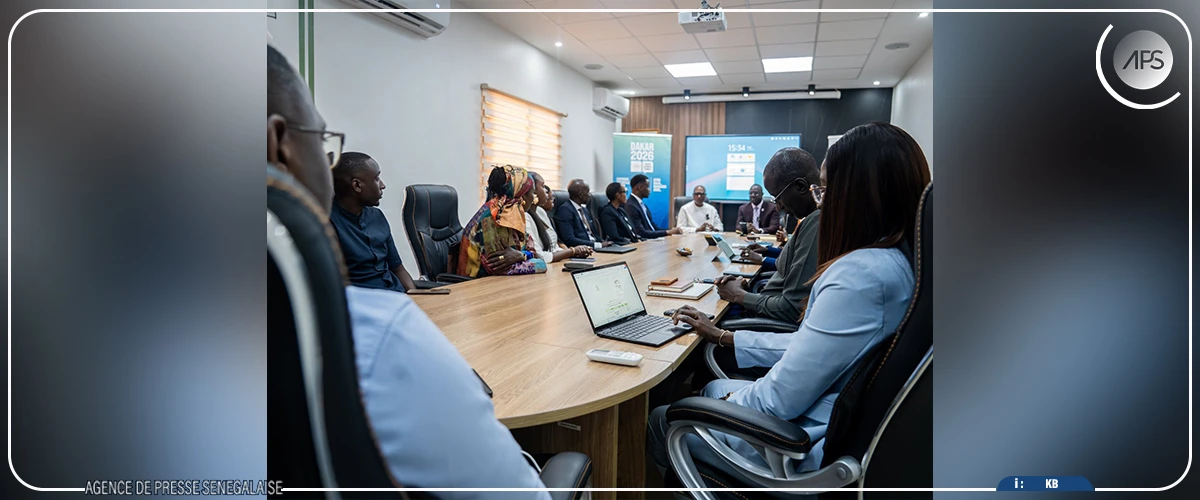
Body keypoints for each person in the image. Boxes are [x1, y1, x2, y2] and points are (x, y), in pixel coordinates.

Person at [268, 45, 548, 497]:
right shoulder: (376, 337)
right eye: (320, 143)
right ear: (277, 145)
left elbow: (401, 270)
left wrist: (420, 298)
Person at [648, 121, 931, 479]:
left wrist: (728, 404)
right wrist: (725, 337)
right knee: (709, 390)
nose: (821, 202)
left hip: (799, 444)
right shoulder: (898, 262)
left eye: (826, 190)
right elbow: (813, 347)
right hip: (829, 411)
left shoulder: (861, 276)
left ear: (856, 194)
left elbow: (780, 399)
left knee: (665, 419)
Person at [714, 148, 822, 324]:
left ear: (801, 187)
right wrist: (747, 290)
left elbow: (792, 308)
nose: (778, 207)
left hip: (766, 323)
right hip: (763, 305)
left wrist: (739, 295)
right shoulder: (811, 219)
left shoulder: (816, 223)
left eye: (777, 197)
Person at [329, 152, 418, 292]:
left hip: (396, 296)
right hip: (365, 303)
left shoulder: (377, 216)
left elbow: (398, 268)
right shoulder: (328, 224)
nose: (383, 185)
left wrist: (416, 299)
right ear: (357, 185)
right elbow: (335, 286)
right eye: (376, 178)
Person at [458, 165, 548, 278]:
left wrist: (522, 255)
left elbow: (532, 251)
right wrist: (539, 264)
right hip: (477, 288)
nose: (534, 198)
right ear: (522, 195)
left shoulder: (512, 214)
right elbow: (498, 268)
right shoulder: (492, 219)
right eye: (532, 193)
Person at [525, 172, 592, 263]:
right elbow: (539, 256)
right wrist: (572, 251)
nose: (546, 191)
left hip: (556, 264)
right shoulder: (525, 217)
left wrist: (577, 252)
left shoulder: (540, 212)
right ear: (532, 190)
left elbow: (554, 248)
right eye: (543, 186)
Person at [624, 174, 682, 239]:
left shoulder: (641, 204)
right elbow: (641, 232)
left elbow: (653, 227)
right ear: (640, 187)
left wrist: (670, 231)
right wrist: (668, 232)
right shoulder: (631, 206)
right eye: (648, 187)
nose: (649, 190)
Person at [554, 179, 606, 248]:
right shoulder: (565, 211)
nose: (589, 195)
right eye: (588, 192)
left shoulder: (584, 210)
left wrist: (603, 243)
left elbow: (593, 234)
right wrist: (597, 245)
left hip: (595, 247)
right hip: (583, 251)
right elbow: (569, 240)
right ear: (581, 194)